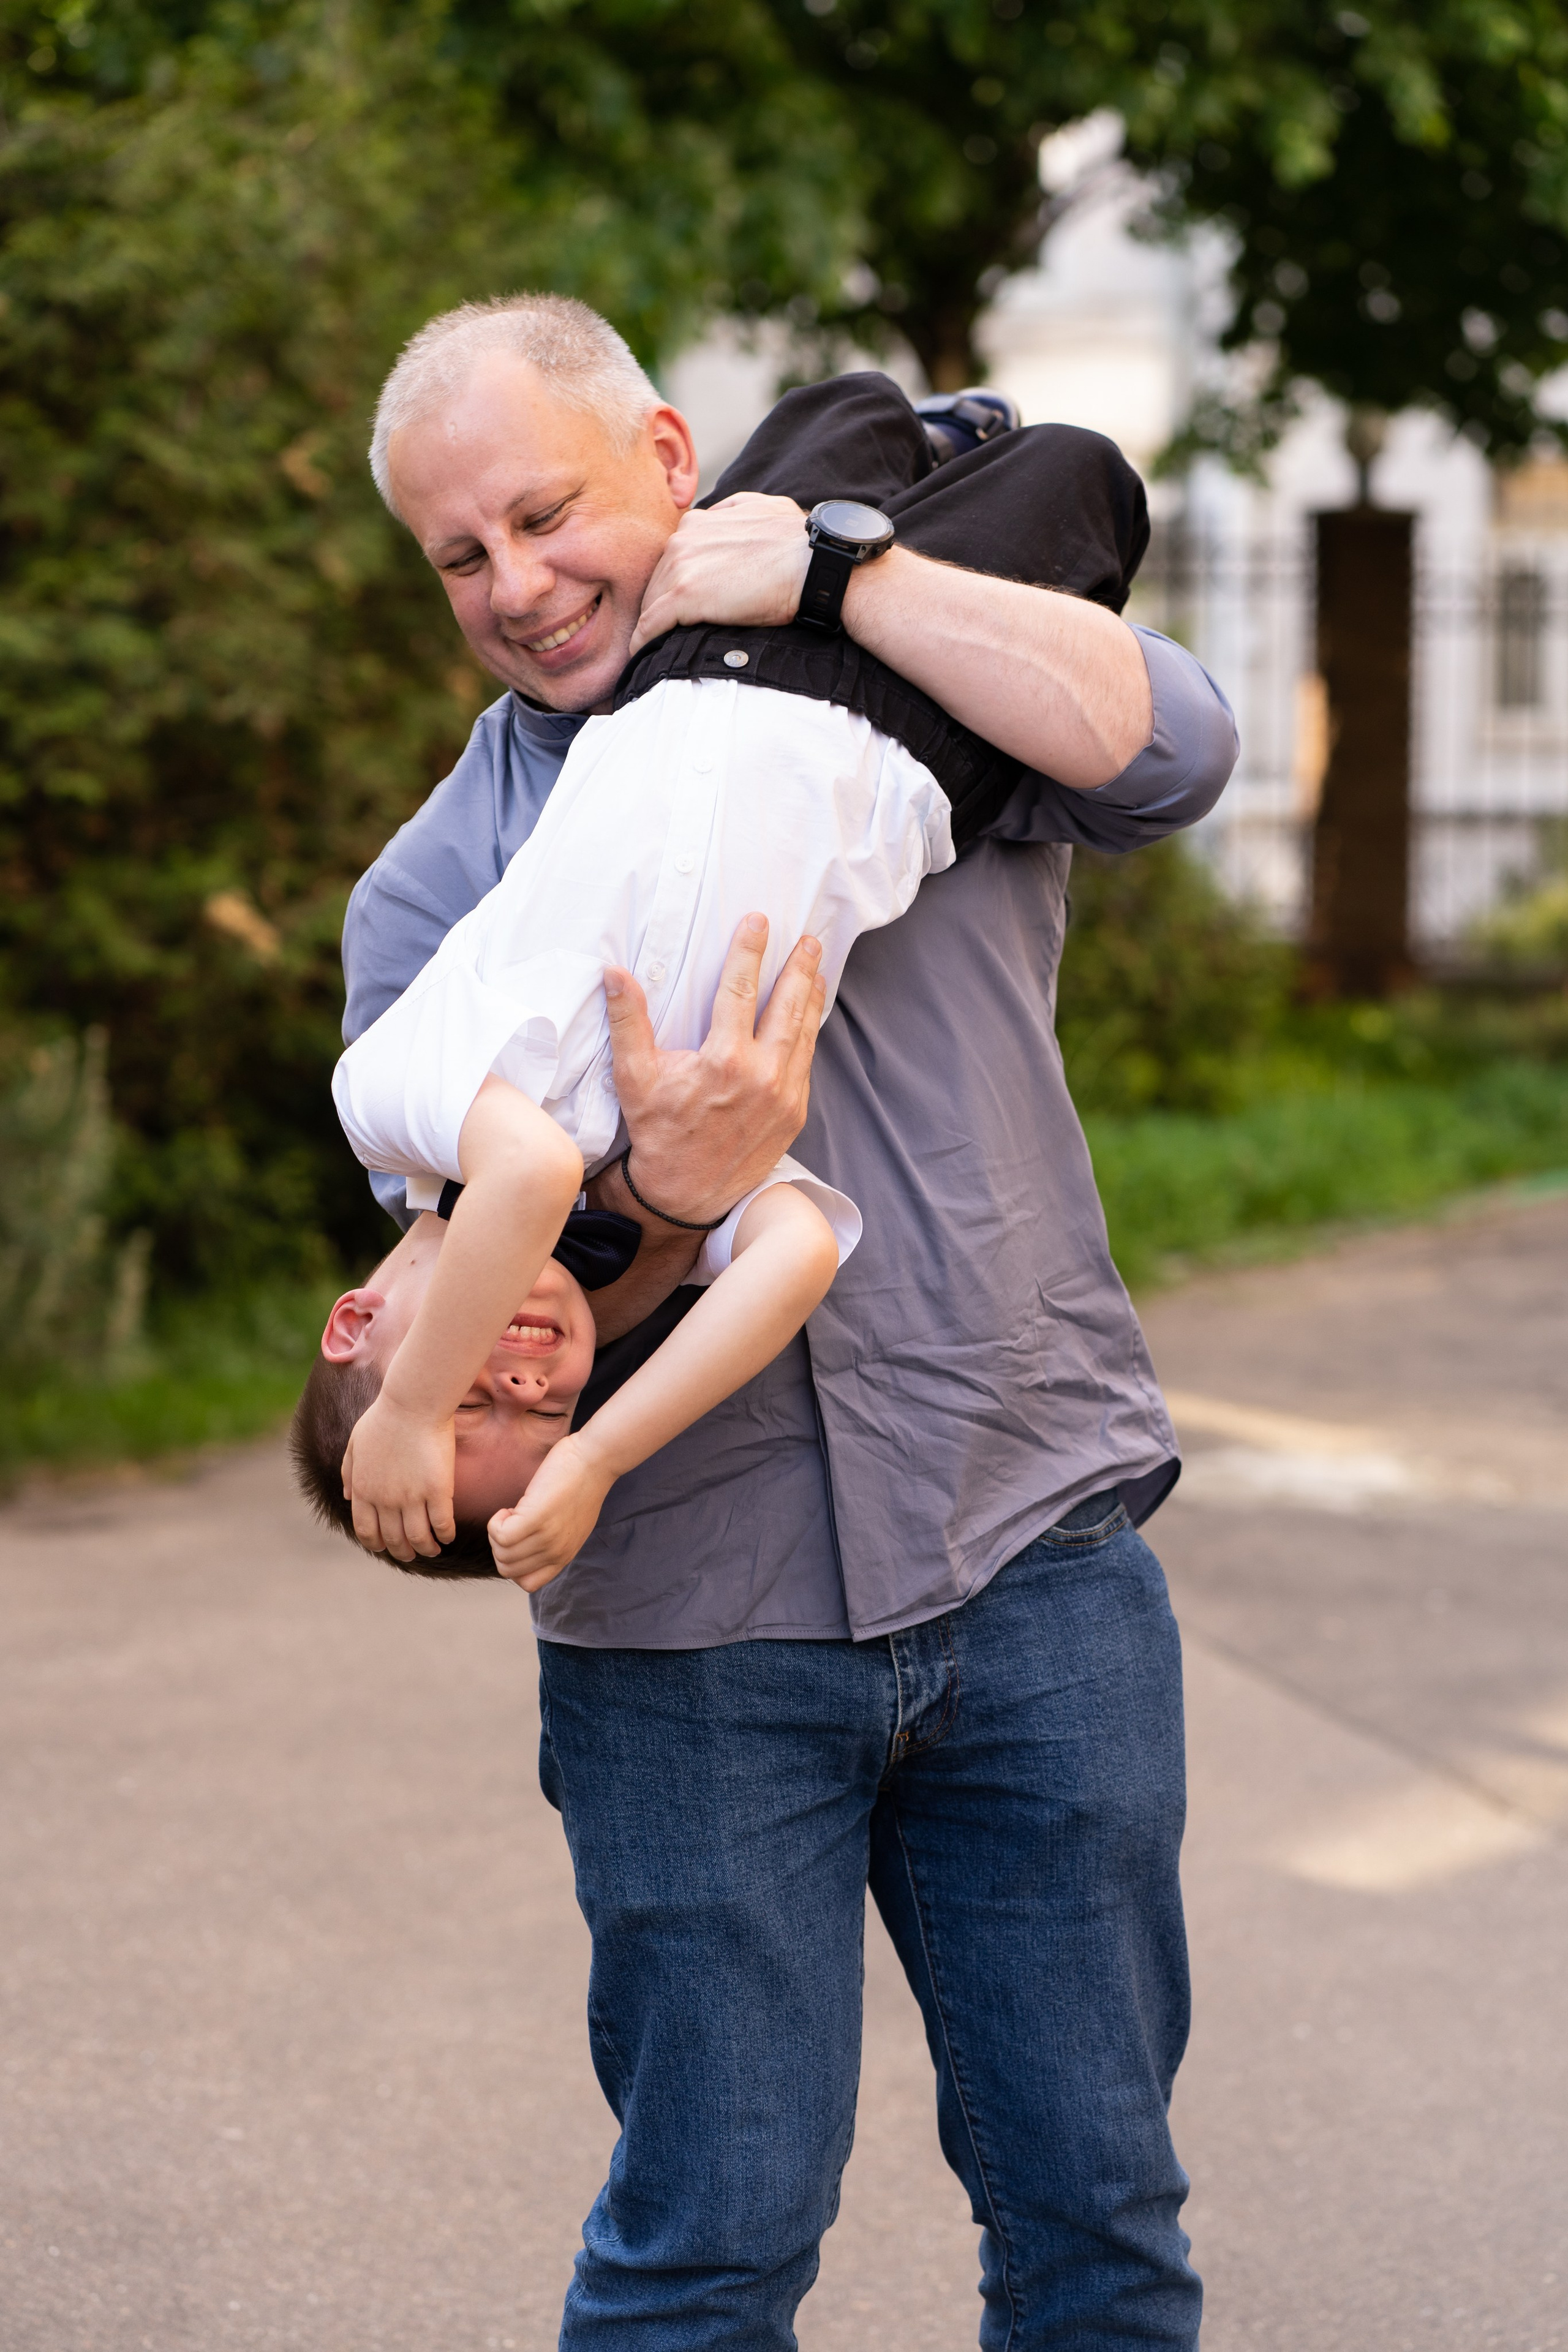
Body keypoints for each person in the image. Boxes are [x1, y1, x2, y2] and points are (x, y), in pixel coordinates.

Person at [341, 291, 1238, 2347]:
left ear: (669, 454)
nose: (517, 584)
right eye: (459, 555)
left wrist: (855, 568)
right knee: (709, 2247)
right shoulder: (433, 901)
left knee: (1099, 2219)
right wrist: (668, 1191)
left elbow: (1174, 745)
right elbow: (507, 1315)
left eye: (546, 513)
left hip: (1037, 1546)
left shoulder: (902, 667)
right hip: (690, 1628)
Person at [315, 358, 1148, 1574]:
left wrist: (405, 1419)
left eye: (466, 1399)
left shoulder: (398, 1111)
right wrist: (597, 1456)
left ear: (360, 1324)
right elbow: (798, 1256)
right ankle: (970, 449)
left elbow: (533, 1173)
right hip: (906, 764)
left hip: (706, 668)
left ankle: (922, 437)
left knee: (839, 415)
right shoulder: (603, 1185)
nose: (522, 1375)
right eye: (546, 1407)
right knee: (1080, 478)